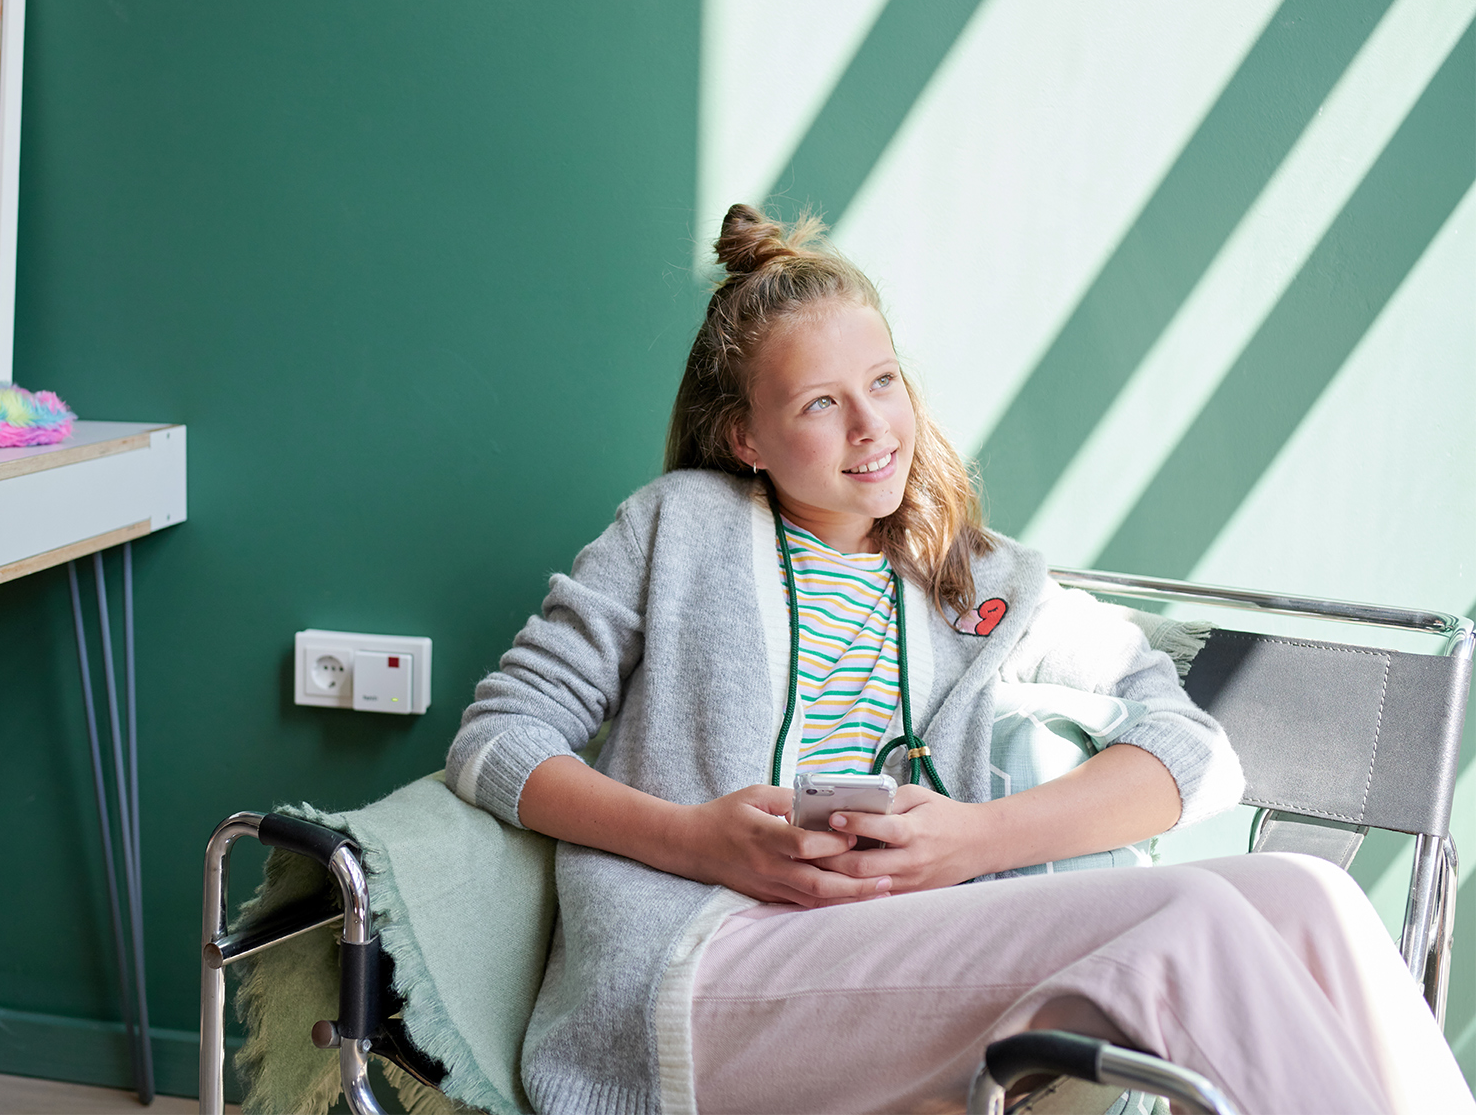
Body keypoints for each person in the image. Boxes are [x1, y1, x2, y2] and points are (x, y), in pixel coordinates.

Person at [444, 204, 1473, 1115]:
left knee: (1310, 892)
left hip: (908, 958)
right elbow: (496, 737)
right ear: (745, 436)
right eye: (819, 403)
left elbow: (1196, 752)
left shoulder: (985, 582)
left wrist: (970, 840)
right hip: (699, 976)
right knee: (1195, 913)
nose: (872, 425)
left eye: (883, 380)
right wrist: (697, 839)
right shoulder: (676, 528)